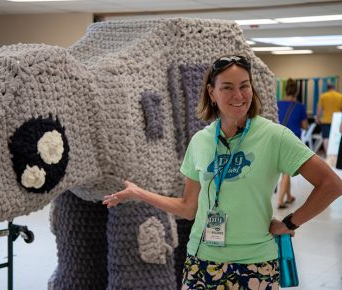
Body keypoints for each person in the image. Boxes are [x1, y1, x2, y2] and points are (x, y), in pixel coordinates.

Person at [103, 55, 342, 289]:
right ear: (211, 93)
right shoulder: (200, 141)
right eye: (227, 87)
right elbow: (188, 207)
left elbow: (331, 184)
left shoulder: (274, 136)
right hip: (202, 261)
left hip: (255, 264)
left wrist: (290, 223)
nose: (238, 95)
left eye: (244, 86)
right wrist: (139, 193)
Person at [277, 78, 308, 209]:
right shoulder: (300, 106)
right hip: (292, 140)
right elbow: (305, 126)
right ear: (296, 92)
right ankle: (280, 201)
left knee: (286, 169)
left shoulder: (277, 103)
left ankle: (289, 196)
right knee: (286, 171)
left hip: (278, 138)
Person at [316, 83, 342, 154]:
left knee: (326, 138)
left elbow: (319, 109)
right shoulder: (340, 96)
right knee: (336, 139)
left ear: (327, 89)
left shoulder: (323, 96)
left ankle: (328, 154)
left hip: (326, 121)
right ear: (334, 88)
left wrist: (318, 118)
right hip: (337, 121)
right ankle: (335, 155)